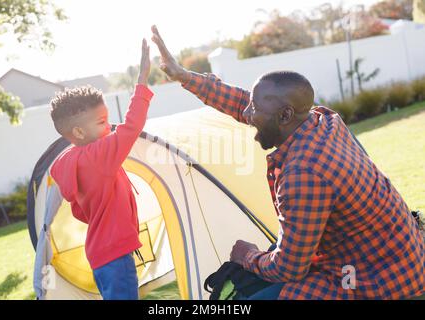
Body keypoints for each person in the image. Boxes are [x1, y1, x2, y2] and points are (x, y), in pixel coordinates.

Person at [150, 25, 425, 300]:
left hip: (378, 280)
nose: (246, 113)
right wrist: (183, 76)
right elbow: (242, 102)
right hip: (392, 255)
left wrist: (248, 256)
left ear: (284, 116)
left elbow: (288, 268)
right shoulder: (322, 120)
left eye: (254, 108)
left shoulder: (303, 172)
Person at [49, 39, 153, 300]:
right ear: (79, 132)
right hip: (116, 256)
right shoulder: (98, 155)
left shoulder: (71, 161)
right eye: (102, 122)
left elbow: (80, 211)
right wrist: (142, 80)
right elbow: (131, 127)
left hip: (99, 254)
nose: (109, 128)